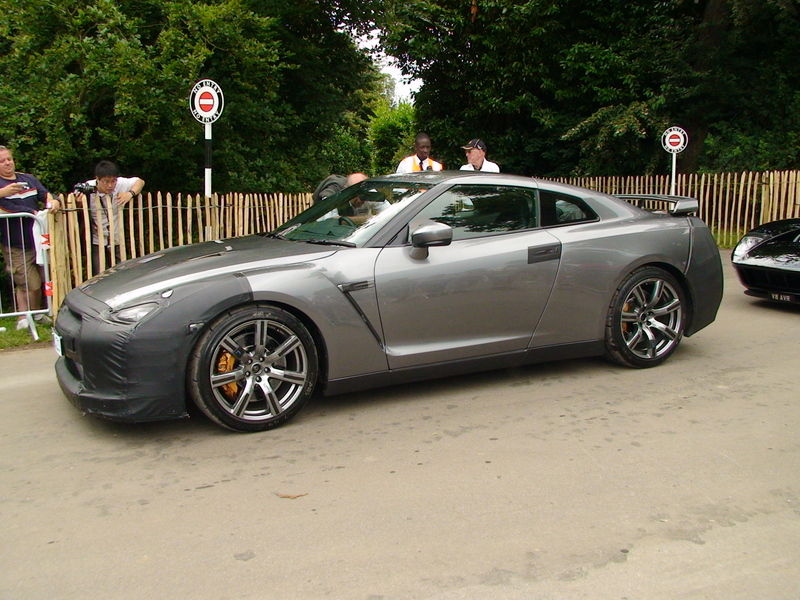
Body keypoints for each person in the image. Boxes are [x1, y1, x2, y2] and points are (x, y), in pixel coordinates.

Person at [0, 145, 58, 330]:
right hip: (15, 243)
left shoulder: (28, 179)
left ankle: (31, 314)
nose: (7, 163)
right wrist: (30, 211)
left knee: (39, 279)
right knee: (28, 282)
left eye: (9, 159)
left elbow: (45, 194)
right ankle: (26, 316)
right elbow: (6, 208)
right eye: (2, 161)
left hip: (38, 240)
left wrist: (52, 201)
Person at [75, 160, 144, 274]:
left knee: (121, 272)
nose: (110, 185)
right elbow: (75, 203)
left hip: (117, 238)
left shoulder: (120, 184)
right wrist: (78, 202)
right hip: (97, 240)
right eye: (106, 182)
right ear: (97, 179)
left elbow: (140, 182)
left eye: (113, 181)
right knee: (99, 274)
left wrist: (130, 193)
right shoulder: (88, 188)